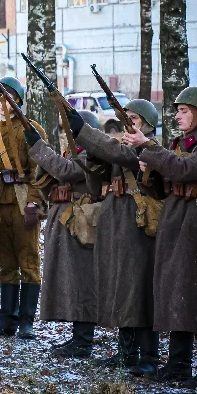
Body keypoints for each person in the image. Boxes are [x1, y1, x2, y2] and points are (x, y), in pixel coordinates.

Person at [131, 86, 197, 388]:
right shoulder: (181, 143)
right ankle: (178, 366)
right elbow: (162, 186)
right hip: (177, 222)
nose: (177, 115)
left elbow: (185, 169)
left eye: (183, 110)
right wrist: (148, 171)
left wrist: (150, 147)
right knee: (178, 293)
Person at [75, 100, 163, 375]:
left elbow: (121, 155)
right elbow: (94, 183)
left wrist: (87, 134)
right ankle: (127, 352)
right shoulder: (123, 149)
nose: (128, 124)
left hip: (140, 224)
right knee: (122, 286)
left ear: (147, 123)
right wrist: (92, 154)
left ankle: (148, 356)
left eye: (134, 118)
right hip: (117, 222)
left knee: (141, 289)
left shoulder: (152, 149)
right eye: (126, 118)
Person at [26, 110, 103, 358]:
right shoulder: (71, 152)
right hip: (65, 218)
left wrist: (39, 146)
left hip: (81, 221)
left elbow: (69, 172)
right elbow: (48, 176)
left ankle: (83, 341)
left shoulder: (93, 152)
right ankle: (77, 337)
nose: (68, 134)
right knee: (70, 278)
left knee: (82, 279)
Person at [0, 78, 48, 339]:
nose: (2, 102)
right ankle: (6, 322)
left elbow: (40, 171)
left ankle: (26, 322)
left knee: (28, 261)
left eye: (7, 97)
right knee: (6, 263)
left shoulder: (32, 129)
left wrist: (34, 201)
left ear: (18, 100)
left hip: (22, 200)